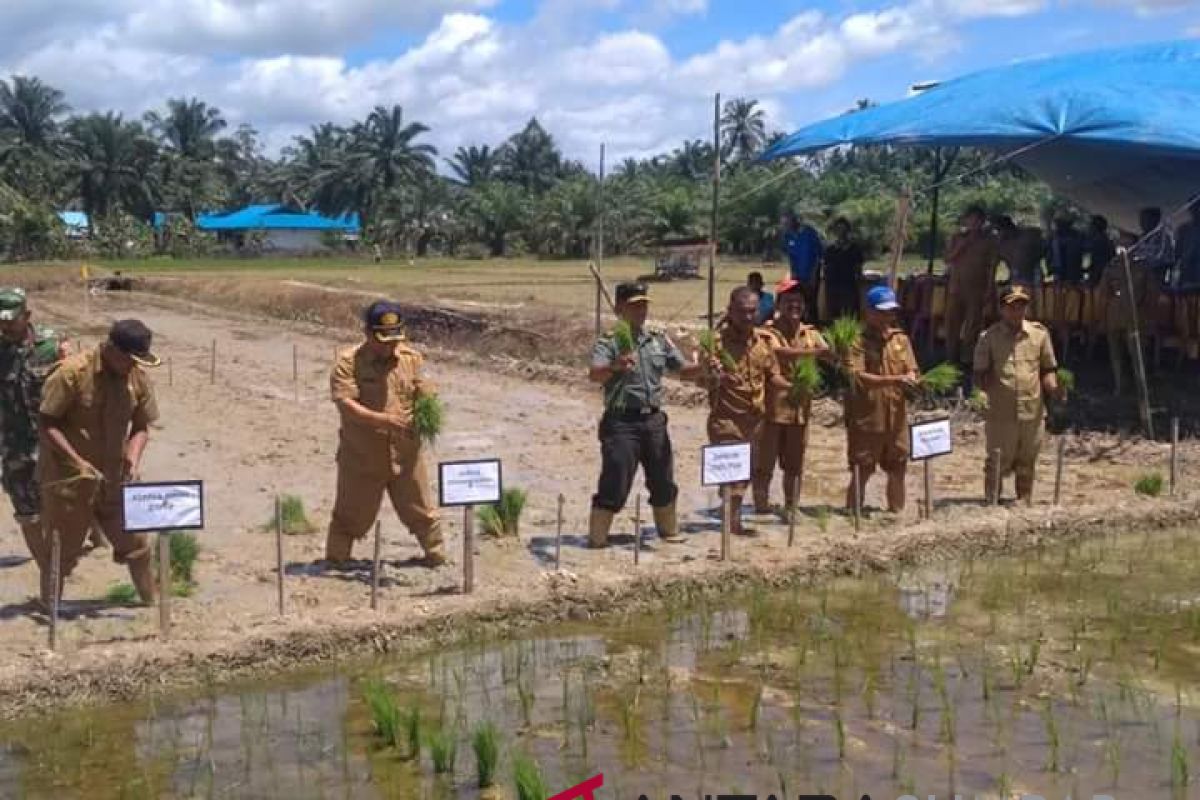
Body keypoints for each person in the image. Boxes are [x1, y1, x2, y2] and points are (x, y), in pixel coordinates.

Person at [39, 320, 161, 606]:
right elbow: (47, 423)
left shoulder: (137, 377)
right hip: (70, 480)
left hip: (115, 479)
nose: (132, 366)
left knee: (137, 546)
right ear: (111, 349)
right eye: (129, 359)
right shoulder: (72, 374)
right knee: (62, 551)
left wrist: (132, 458)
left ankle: (151, 606)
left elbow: (142, 426)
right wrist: (78, 461)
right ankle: (50, 612)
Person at [325, 301, 445, 567]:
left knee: (422, 510)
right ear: (368, 334)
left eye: (395, 340)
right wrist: (384, 420)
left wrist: (427, 399)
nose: (390, 346)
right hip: (362, 456)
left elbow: (421, 387)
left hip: (405, 454)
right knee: (350, 514)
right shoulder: (348, 363)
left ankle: (437, 556)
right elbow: (345, 404)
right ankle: (336, 560)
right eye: (384, 340)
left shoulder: (410, 359)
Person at [588, 282, 701, 548]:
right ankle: (597, 539)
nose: (641, 310)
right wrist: (616, 366)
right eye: (634, 305)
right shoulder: (611, 341)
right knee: (616, 480)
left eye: (644, 304)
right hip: (622, 422)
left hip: (653, 420)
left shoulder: (657, 340)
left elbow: (682, 371)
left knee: (663, 478)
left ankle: (668, 530)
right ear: (620, 308)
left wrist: (704, 368)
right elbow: (594, 374)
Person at [0, 289, 74, 578]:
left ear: (27, 316)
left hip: (55, 443)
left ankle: (71, 552)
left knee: (61, 507)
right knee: (28, 513)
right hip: (15, 446)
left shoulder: (52, 344)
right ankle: (49, 574)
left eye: (11, 320)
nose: (4, 326)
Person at [695, 287, 781, 536]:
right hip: (727, 419)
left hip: (755, 420)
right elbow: (700, 380)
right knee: (734, 473)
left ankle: (728, 514)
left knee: (746, 473)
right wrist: (713, 373)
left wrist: (799, 387)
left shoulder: (763, 342)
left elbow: (773, 377)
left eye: (752, 312)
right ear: (730, 311)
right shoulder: (715, 345)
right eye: (742, 312)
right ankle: (732, 525)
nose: (747, 317)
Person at [973, 285, 1061, 505]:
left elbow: (1048, 368)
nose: (1017, 311)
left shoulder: (1039, 334)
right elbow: (980, 373)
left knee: (1027, 458)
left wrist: (1054, 386)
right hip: (1000, 412)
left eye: (1021, 305)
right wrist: (980, 395)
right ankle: (992, 501)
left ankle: (1024, 500)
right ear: (1002, 309)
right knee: (998, 459)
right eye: (1012, 306)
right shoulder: (989, 337)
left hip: (1032, 409)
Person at [751, 282, 829, 515]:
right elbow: (779, 353)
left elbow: (829, 353)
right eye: (789, 302)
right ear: (778, 305)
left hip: (799, 412)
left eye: (799, 302)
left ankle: (790, 507)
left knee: (795, 466)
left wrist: (839, 353)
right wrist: (816, 353)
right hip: (771, 411)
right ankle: (761, 508)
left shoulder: (810, 333)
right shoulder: (765, 332)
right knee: (764, 465)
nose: (794, 306)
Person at [844, 285, 919, 514]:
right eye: (883, 311)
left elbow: (913, 369)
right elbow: (858, 377)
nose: (888, 316)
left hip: (896, 418)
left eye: (891, 311)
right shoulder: (856, 341)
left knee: (898, 467)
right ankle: (853, 513)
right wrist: (896, 379)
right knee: (863, 468)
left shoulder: (901, 340)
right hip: (868, 417)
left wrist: (913, 380)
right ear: (869, 312)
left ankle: (896, 512)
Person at [943, 205, 999, 368]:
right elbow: (947, 259)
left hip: (977, 288)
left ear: (982, 222)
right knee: (952, 322)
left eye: (977, 220)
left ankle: (967, 358)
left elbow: (992, 266)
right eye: (970, 220)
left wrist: (990, 288)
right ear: (965, 220)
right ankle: (950, 357)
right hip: (956, 287)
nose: (973, 223)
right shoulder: (956, 238)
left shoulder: (989, 240)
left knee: (973, 325)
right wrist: (962, 246)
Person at [1101, 231, 1151, 396]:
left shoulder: (1143, 266)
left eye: (1126, 241)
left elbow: (1151, 294)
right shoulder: (1111, 266)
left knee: (1136, 354)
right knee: (1115, 353)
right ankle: (1119, 385)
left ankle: (1140, 387)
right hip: (1115, 314)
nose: (1122, 245)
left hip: (1136, 316)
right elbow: (1104, 293)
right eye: (1120, 242)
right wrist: (1102, 315)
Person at [782, 212, 823, 318]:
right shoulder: (787, 236)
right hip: (797, 276)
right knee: (799, 301)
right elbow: (791, 257)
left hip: (811, 274)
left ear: (795, 221)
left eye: (788, 222)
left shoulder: (809, 233)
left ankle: (814, 327)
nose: (786, 225)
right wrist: (793, 275)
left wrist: (813, 275)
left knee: (811, 301)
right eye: (784, 223)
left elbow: (818, 256)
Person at [823, 217, 864, 320]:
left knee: (849, 315)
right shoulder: (830, 249)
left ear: (848, 230)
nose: (841, 232)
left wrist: (858, 282)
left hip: (848, 286)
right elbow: (825, 267)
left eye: (843, 229)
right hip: (833, 287)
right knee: (834, 315)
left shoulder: (855, 248)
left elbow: (858, 268)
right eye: (838, 229)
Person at [994, 215, 1045, 288]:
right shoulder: (1001, 244)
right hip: (1015, 279)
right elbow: (995, 263)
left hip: (1033, 277)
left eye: (1000, 230)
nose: (999, 233)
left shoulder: (1028, 236)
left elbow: (1042, 250)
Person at [1131, 206, 1175, 286]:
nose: (1142, 223)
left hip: (1156, 277)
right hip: (1139, 277)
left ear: (1155, 221)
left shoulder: (1164, 237)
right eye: (1141, 220)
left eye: (1146, 220)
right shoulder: (1141, 238)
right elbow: (1136, 255)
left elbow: (1168, 260)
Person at [1047, 217, 1086, 284]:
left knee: (1065, 285)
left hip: (1066, 268)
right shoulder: (1055, 237)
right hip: (1063, 267)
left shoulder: (1055, 238)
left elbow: (1050, 254)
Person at [1174, 201, 1200, 289]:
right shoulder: (1183, 229)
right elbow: (1177, 252)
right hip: (1187, 273)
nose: (1197, 211)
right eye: (1194, 208)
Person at [1084, 215, 1116, 285]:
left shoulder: (1098, 241)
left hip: (1100, 276)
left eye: (1091, 226)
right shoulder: (1107, 240)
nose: (1088, 228)